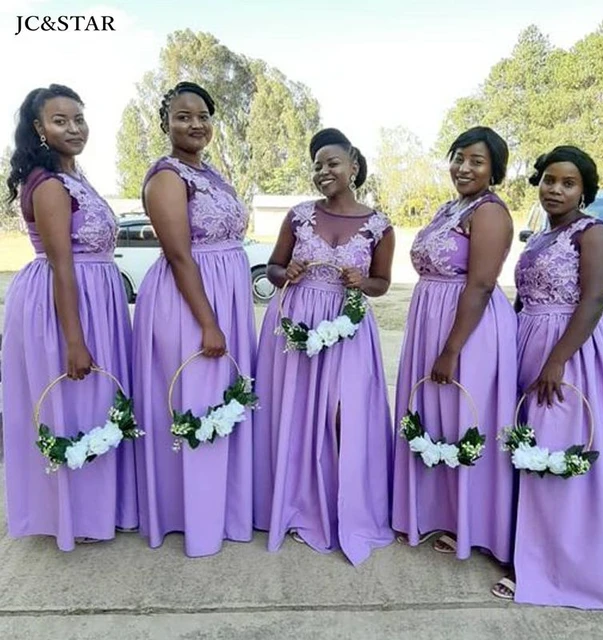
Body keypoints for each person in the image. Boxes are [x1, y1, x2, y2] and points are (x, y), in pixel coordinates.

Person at [492, 146, 603, 608]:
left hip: (571, 353)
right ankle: (523, 548)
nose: (555, 189)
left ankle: (554, 564)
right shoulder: (537, 236)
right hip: (527, 341)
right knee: (524, 447)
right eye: (549, 180)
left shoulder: (594, 233)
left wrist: (556, 360)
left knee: (555, 451)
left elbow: (594, 302)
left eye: (568, 183)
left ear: (584, 190)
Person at [2, 84, 138, 549]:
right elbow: (63, 265)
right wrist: (74, 341)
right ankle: (73, 515)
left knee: (98, 402)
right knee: (75, 401)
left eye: (79, 118)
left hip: (96, 297)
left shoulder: (77, 176)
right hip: (66, 300)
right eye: (61, 121)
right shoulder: (50, 185)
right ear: (39, 129)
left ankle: (99, 507)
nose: (74, 128)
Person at [253, 128, 396, 565]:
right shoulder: (298, 216)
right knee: (295, 412)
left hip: (348, 328)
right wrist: (287, 271)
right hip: (296, 322)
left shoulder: (379, 225)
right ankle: (297, 503)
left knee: (343, 415)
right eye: (317, 165)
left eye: (332, 163)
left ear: (353, 164)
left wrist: (363, 282)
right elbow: (272, 269)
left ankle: (343, 506)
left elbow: (382, 284)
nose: (324, 172)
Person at [132, 82, 256, 557]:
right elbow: (180, 255)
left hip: (225, 294)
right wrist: (208, 322)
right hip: (190, 300)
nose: (195, 124)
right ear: (165, 122)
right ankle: (191, 516)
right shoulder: (166, 176)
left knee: (224, 398)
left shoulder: (214, 175)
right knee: (197, 399)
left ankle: (224, 508)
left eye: (202, 115)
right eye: (183, 116)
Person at [392, 126, 517, 564]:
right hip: (432, 318)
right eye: (459, 157)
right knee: (437, 418)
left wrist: (451, 349)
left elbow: (481, 284)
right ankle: (443, 513)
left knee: (468, 418)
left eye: (476, 161)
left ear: (494, 170)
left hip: (468, 328)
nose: (464, 167)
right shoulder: (451, 208)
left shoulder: (489, 212)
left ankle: (475, 525)